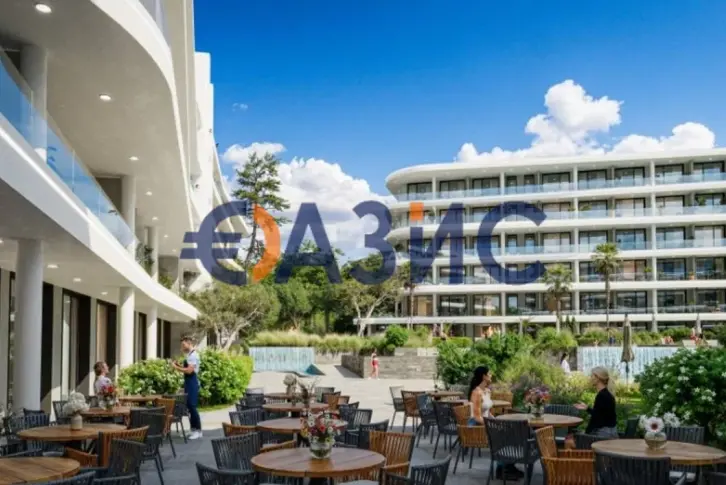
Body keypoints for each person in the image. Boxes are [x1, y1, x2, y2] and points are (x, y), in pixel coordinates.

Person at [468, 366, 522, 480]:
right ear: (484, 376)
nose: (491, 375)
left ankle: (509, 465)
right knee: (503, 434)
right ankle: (501, 470)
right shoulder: (476, 392)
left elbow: (487, 413)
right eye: (489, 373)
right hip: (477, 426)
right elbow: (476, 417)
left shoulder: (487, 391)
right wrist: (492, 425)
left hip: (486, 423)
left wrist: (496, 421)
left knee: (513, 431)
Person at [172, 337, 203, 439]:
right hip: (188, 382)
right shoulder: (189, 355)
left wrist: (176, 368)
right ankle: (193, 429)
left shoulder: (193, 355)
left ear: (189, 344)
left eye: (183, 345)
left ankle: (198, 431)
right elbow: (187, 368)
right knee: (189, 406)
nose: (182, 347)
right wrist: (179, 365)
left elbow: (189, 371)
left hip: (192, 382)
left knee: (192, 406)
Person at [575, 366, 618, 438]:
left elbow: (596, 419)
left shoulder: (602, 395)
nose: (590, 378)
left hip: (603, 435)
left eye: (591, 376)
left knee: (569, 440)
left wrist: (586, 433)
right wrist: (587, 408)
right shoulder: (607, 393)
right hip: (609, 432)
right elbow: (600, 414)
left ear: (597, 378)